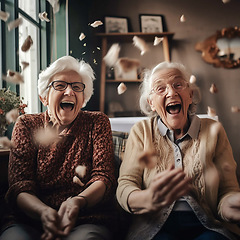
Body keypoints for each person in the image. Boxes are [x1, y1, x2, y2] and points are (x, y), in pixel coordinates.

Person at [116, 61, 240, 240]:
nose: (171, 92)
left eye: (178, 84)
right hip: (153, 227)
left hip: (208, 224)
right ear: (151, 103)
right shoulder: (141, 131)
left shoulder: (213, 130)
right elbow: (126, 185)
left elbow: (228, 189)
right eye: (160, 88)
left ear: (190, 94)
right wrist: (146, 198)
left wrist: (230, 205)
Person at [0, 56, 116, 240]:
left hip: (86, 220)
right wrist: (44, 212)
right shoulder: (27, 125)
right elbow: (20, 185)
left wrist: (78, 202)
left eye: (77, 87)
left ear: (83, 97)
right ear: (43, 97)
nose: (70, 91)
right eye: (60, 85)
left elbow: (103, 176)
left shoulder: (97, 122)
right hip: (28, 220)